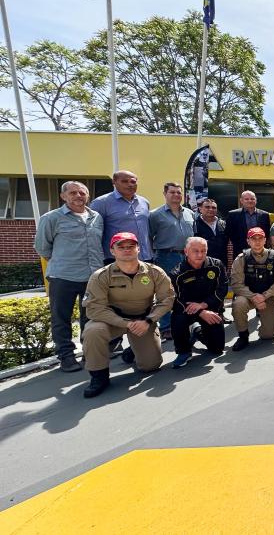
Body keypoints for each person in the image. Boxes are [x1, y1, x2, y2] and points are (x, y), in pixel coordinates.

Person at [80, 232, 175, 398]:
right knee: (93, 330)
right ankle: (99, 376)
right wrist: (126, 324)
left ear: (139, 248)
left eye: (131, 246)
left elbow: (167, 299)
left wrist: (148, 320)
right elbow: (94, 308)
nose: (126, 250)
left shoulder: (154, 272)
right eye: (121, 247)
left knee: (150, 366)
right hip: (112, 321)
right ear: (112, 251)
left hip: (143, 320)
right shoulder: (100, 276)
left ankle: (133, 349)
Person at [34, 181, 105, 372]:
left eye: (82, 192)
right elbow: (42, 247)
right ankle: (66, 356)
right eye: (73, 193)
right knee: (61, 318)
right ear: (63, 196)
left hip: (92, 277)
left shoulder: (96, 217)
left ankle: (89, 352)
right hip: (63, 276)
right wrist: (63, 261)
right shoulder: (51, 218)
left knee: (89, 317)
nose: (78, 196)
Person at [168, 237, 228, 368]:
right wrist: (200, 311)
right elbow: (176, 299)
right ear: (186, 251)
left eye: (203, 250)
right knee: (178, 319)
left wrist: (203, 306)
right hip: (187, 310)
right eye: (195, 251)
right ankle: (183, 352)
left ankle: (197, 330)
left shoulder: (217, 265)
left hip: (210, 308)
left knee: (217, 349)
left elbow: (222, 288)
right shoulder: (176, 273)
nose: (200, 254)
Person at [148, 182, 196, 339]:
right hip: (166, 256)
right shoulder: (155, 215)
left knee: (187, 289)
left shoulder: (190, 213)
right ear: (165, 194)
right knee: (166, 292)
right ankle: (166, 326)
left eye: (179, 193)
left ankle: (186, 322)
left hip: (187, 257)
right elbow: (148, 237)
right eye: (172, 192)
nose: (176, 195)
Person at [229, 227, 274, 350]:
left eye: (260, 238)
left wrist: (264, 296)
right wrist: (254, 297)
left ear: (265, 240)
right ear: (248, 241)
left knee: (268, 335)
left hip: (269, 297)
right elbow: (236, 284)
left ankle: (265, 327)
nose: (257, 241)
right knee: (238, 303)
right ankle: (243, 336)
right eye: (253, 238)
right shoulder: (241, 259)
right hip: (247, 296)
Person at [90, 170, 152, 262]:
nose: (130, 184)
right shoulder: (101, 203)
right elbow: (93, 233)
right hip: (116, 259)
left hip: (144, 257)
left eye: (133, 182)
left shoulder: (144, 202)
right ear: (114, 182)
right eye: (124, 181)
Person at [226, 191, 271, 258]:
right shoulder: (233, 214)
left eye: (252, 199)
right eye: (246, 199)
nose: (250, 201)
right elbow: (229, 233)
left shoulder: (265, 215)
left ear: (256, 200)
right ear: (241, 200)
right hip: (240, 251)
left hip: (260, 251)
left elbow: (266, 233)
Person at [194, 198, 229, 268]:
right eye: (207, 207)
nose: (211, 209)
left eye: (214, 208)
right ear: (200, 209)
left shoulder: (223, 224)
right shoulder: (194, 224)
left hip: (221, 263)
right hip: (202, 264)